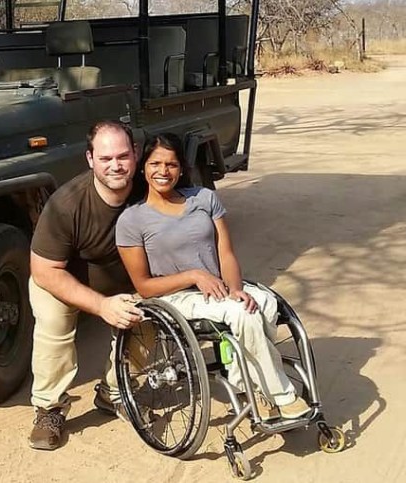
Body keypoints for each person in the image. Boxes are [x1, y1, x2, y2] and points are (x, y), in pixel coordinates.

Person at [115, 133, 311, 420]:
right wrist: (193, 275)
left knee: (265, 304)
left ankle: (242, 377)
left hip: (218, 288)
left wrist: (235, 288)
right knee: (243, 315)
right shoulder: (132, 220)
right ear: (143, 168)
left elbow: (226, 252)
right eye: (155, 163)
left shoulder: (204, 198)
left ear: (182, 168)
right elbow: (144, 286)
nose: (163, 171)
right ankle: (280, 395)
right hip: (175, 297)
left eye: (171, 164)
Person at [27, 120, 146, 451]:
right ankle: (49, 409)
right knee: (54, 324)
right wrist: (102, 306)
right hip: (64, 281)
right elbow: (44, 270)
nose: (116, 165)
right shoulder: (67, 204)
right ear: (90, 159)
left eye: (123, 156)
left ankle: (115, 392)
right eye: (106, 158)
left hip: (124, 282)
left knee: (148, 316)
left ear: (135, 155)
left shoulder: (151, 189)